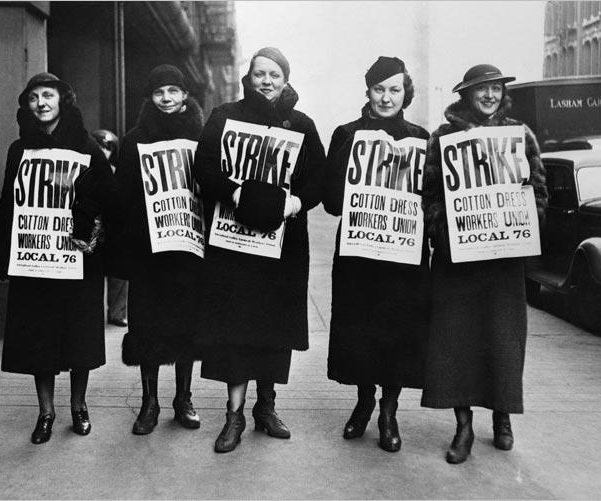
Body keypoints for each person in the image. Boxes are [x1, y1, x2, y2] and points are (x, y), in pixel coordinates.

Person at [193, 47, 326, 452]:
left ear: (286, 80)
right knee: (235, 328)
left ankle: (265, 409)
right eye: (258, 74)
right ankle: (233, 415)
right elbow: (204, 167)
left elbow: (319, 179)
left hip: (281, 248)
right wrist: (232, 191)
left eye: (274, 74)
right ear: (247, 79)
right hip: (233, 247)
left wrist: (295, 202)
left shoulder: (301, 125)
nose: (266, 81)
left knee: (272, 329)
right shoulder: (223, 116)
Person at [420, 64, 548, 464]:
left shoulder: (520, 135)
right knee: (457, 344)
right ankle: (464, 427)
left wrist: (526, 219)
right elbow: (428, 195)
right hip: (458, 263)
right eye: (482, 90)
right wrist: (444, 228)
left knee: (503, 341)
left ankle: (502, 418)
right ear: (466, 95)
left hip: (503, 264)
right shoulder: (444, 139)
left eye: (495, 89)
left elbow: (540, 191)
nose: (490, 95)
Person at [0, 72, 117, 444]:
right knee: (38, 338)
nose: (41, 103)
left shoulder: (86, 147)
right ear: (27, 105)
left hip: (77, 262)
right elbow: (6, 203)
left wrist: (81, 202)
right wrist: (3, 251)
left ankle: (79, 407)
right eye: (33, 97)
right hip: (34, 260)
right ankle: (46, 412)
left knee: (79, 337)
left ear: (63, 100)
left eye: (48, 95)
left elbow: (110, 197)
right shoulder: (19, 150)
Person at [323, 56, 430, 453]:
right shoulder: (347, 134)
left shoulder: (423, 139)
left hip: (404, 258)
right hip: (359, 255)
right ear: (367, 91)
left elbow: (431, 198)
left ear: (406, 93)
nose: (386, 97)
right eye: (379, 89)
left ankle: (388, 410)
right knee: (360, 331)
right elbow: (332, 202)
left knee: (398, 333)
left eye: (395, 90)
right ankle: (364, 401)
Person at [114, 64, 204, 435]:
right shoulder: (134, 140)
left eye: (173, 91)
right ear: (149, 98)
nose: (166, 99)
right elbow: (123, 196)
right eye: (158, 92)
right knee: (147, 326)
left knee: (188, 324)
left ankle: (183, 398)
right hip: (149, 251)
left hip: (189, 249)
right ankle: (149, 402)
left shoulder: (203, 136)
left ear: (185, 96)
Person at [91, 129, 128, 328]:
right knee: (93, 272)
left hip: (113, 227)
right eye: (99, 146)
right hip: (92, 226)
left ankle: (117, 312)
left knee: (120, 272)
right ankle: (94, 313)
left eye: (107, 147)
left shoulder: (116, 172)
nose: (103, 151)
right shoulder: (84, 169)